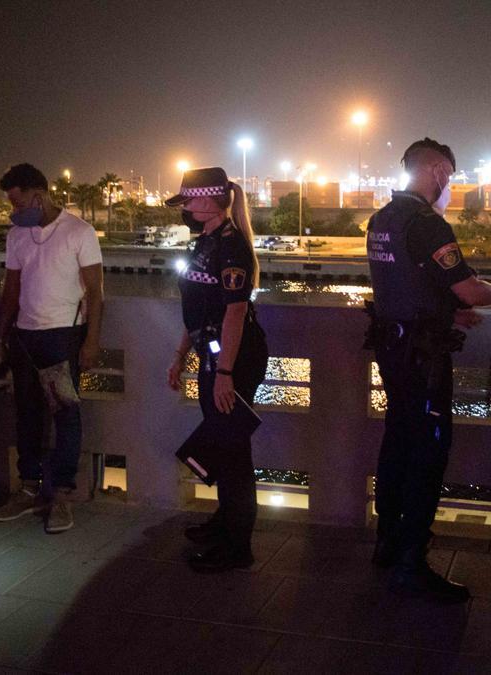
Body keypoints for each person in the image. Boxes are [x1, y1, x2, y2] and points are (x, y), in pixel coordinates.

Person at [366, 138, 491, 603]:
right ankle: (411, 562)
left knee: (397, 439)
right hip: (422, 359)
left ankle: (387, 541)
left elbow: (404, 284)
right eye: (450, 177)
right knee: (429, 450)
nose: (449, 187)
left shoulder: (381, 219)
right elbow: (470, 289)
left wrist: (442, 311)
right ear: (439, 170)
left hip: (391, 347)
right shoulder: (426, 222)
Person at [164, 168, 269, 573]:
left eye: (188, 202)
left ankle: (237, 546)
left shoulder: (230, 246)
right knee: (224, 444)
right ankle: (224, 522)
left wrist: (224, 373)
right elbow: (198, 311)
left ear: (209, 201)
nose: (185, 209)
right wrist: (181, 355)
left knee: (233, 451)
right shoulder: (206, 242)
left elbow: (235, 312)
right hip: (215, 354)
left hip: (234, 359)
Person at [0, 163, 104, 534]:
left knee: (65, 416)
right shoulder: (17, 236)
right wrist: (0, 336)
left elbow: (96, 292)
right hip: (25, 337)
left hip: (62, 338)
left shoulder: (79, 232)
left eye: (16, 201)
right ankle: (28, 488)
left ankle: (61, 496)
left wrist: (90, 341)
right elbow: (11, 289)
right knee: (27, 414)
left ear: (38, 196)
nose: (13, 209)